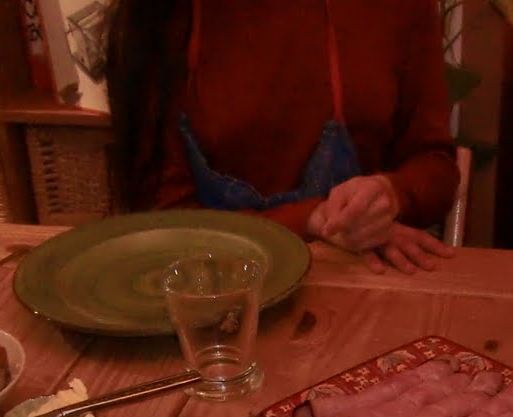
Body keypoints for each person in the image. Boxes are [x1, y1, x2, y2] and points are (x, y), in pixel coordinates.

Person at [105, 0, 460, 274]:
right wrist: (308, 221)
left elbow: (435, 165)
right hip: (209, 287)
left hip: (360, 282)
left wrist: (391, 193)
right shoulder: (163, 17)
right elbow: (164, 220)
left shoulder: (397, 9)